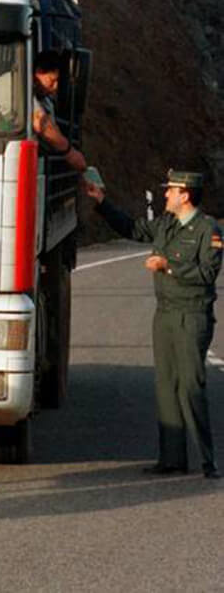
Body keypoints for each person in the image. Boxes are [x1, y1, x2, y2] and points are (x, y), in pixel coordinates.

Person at [84, 170, 223, 479]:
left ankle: (207, 460)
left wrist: (169, 266)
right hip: (165, 314)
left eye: (171, 190)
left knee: (191, 386)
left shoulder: (207, 229)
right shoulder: (166, 224)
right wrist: (102, 203)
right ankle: (172, 458)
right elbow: (133, 228)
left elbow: (207, 273)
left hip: (192, 314)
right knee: (166, 386)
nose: (165, 195)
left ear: (185, 195)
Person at [33, 51, 87, 172]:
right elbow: (41, 123)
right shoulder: (18, 87)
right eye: (52, 80)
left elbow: (53, 132)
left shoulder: (46, 102)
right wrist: (71, 154)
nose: (56, 86)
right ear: (39, 72)